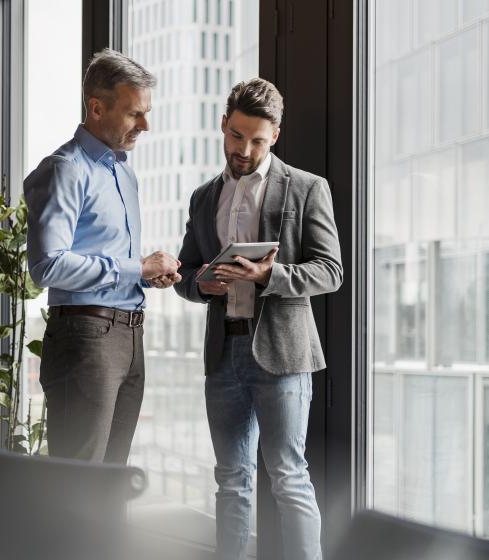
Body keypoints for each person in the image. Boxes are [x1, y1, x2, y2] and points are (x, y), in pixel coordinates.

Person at [173, 78, 342, 560]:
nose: (243, 149)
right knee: (231, 479)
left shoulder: (307, 188)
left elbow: (330, 271)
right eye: (236, 136)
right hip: (223, 351)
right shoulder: (204, 197)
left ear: (276, 137)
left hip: (282, 354)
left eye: (257, 140)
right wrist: (199, 284)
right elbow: (187, 273)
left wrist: (271, 274)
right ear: (223, 125)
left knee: (288, 477)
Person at [24, 48, 180, 464]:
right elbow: (46, 265)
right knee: (79, 485)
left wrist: (146, 276)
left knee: (111, 482)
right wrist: (136, 267)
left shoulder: (121, 170)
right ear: (96, 107)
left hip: (129, 335)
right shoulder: (65, 169)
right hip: (85, 338)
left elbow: (105, 257)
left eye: (145, 113)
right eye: (134, 114)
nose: (146, 125)